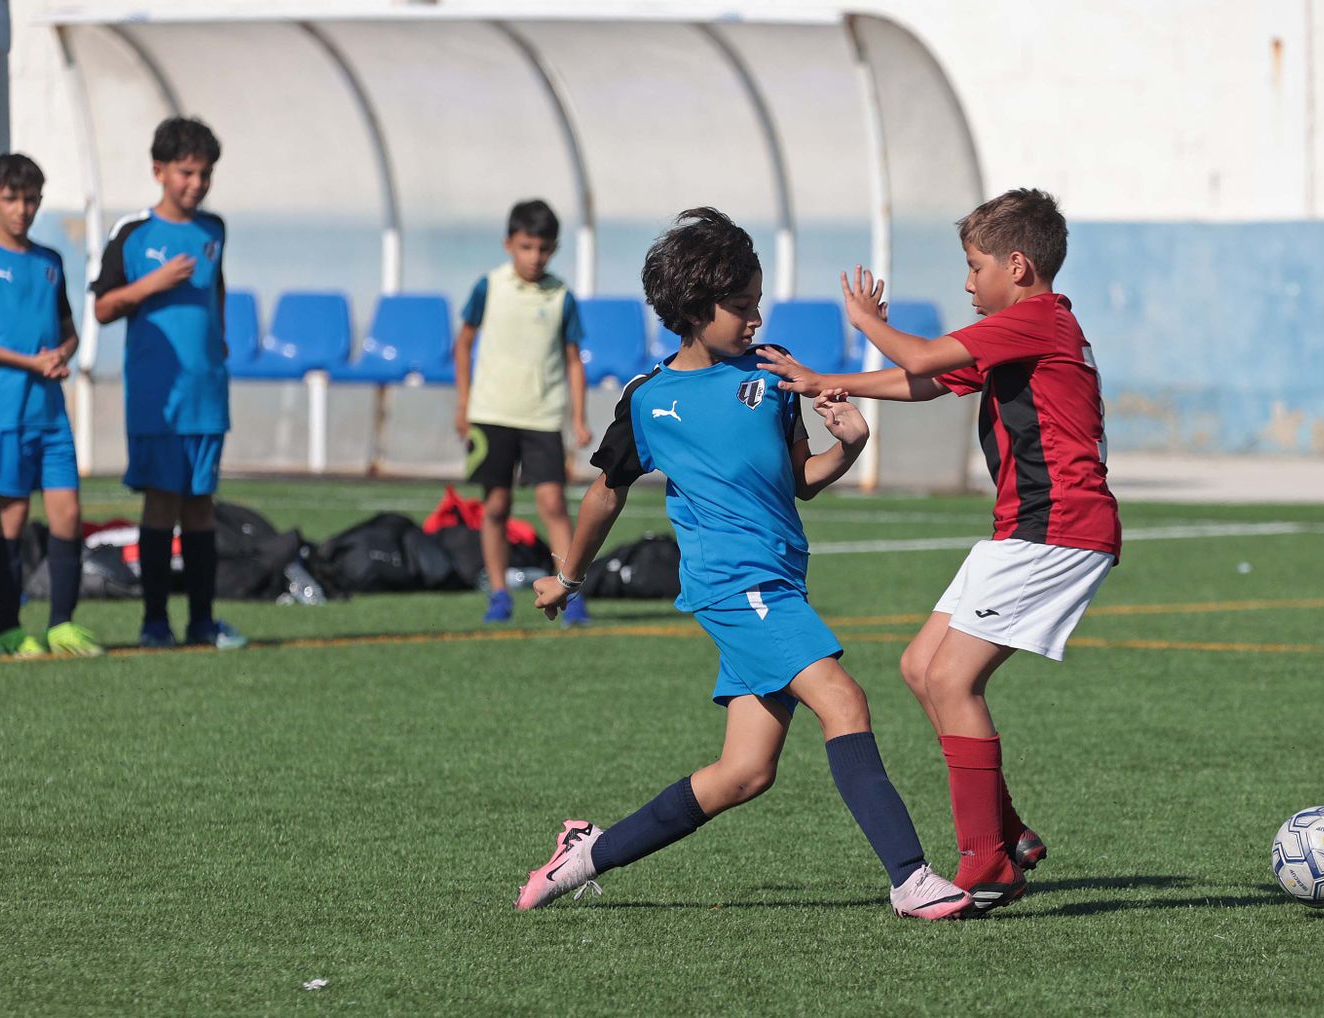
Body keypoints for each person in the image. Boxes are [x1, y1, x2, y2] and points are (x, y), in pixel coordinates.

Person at [513, 208, 970, 921]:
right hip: (735, 587)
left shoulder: (769, 371)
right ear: (695, 310)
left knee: (743, 773)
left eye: (758, 303)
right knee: (844, 700)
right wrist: (568, 577)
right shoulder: (648, 400)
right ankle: (911, 878)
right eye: (742, 307)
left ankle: (584, 853)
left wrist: (846, 447)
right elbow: (604, 495)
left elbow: (799, 480)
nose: (756, 319)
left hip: (779, 580)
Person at [759, 188, 1121, 915]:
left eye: (974, 265)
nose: (966, 282)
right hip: (1026, 527)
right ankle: (1009, 835)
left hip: (1058, 529)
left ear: (1017, 266)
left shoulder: (1036, 320)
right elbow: (925, 380)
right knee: (921, 667)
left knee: (954, 681)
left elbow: (920, 354)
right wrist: (827, 380)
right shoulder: (1025, 329)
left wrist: (864, 324)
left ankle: (987, 863)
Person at [90, 116, 244, 650]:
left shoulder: (215, 230)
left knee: (201, 506)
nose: (196, 184)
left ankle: (202, 622)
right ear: (159, 171)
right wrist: (151, 284)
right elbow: (104, 307)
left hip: (207, 395)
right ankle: (155, 623)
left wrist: (218, 341)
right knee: (161, 504)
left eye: (204, 174)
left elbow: (215, 289)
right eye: (186, 173)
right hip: (158, 397)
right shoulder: (133, 234)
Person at [0, 154, 102, 658]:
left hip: (51, 413)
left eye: (31, 198)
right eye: (11, 198)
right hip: (4, 413)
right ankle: (10, 629)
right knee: (11, 518)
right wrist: (26, 363)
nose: (22, 209)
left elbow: (69, 329)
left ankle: (62, 625)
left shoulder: (51, 262)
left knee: (68, 515)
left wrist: (63, 353)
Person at [452, 199, 591, 625]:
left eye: (544, 248)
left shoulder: (561, 296)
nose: (535, 257)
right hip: (492, 412)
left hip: (543, 415)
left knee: (552, 502)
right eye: (527, 246)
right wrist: (464, 403)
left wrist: (578, 418)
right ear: (509, 243)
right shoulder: (489, 287)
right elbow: (464, 343)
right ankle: (497, 593)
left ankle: (570, 592)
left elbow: (572, 360)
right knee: (495, 505)